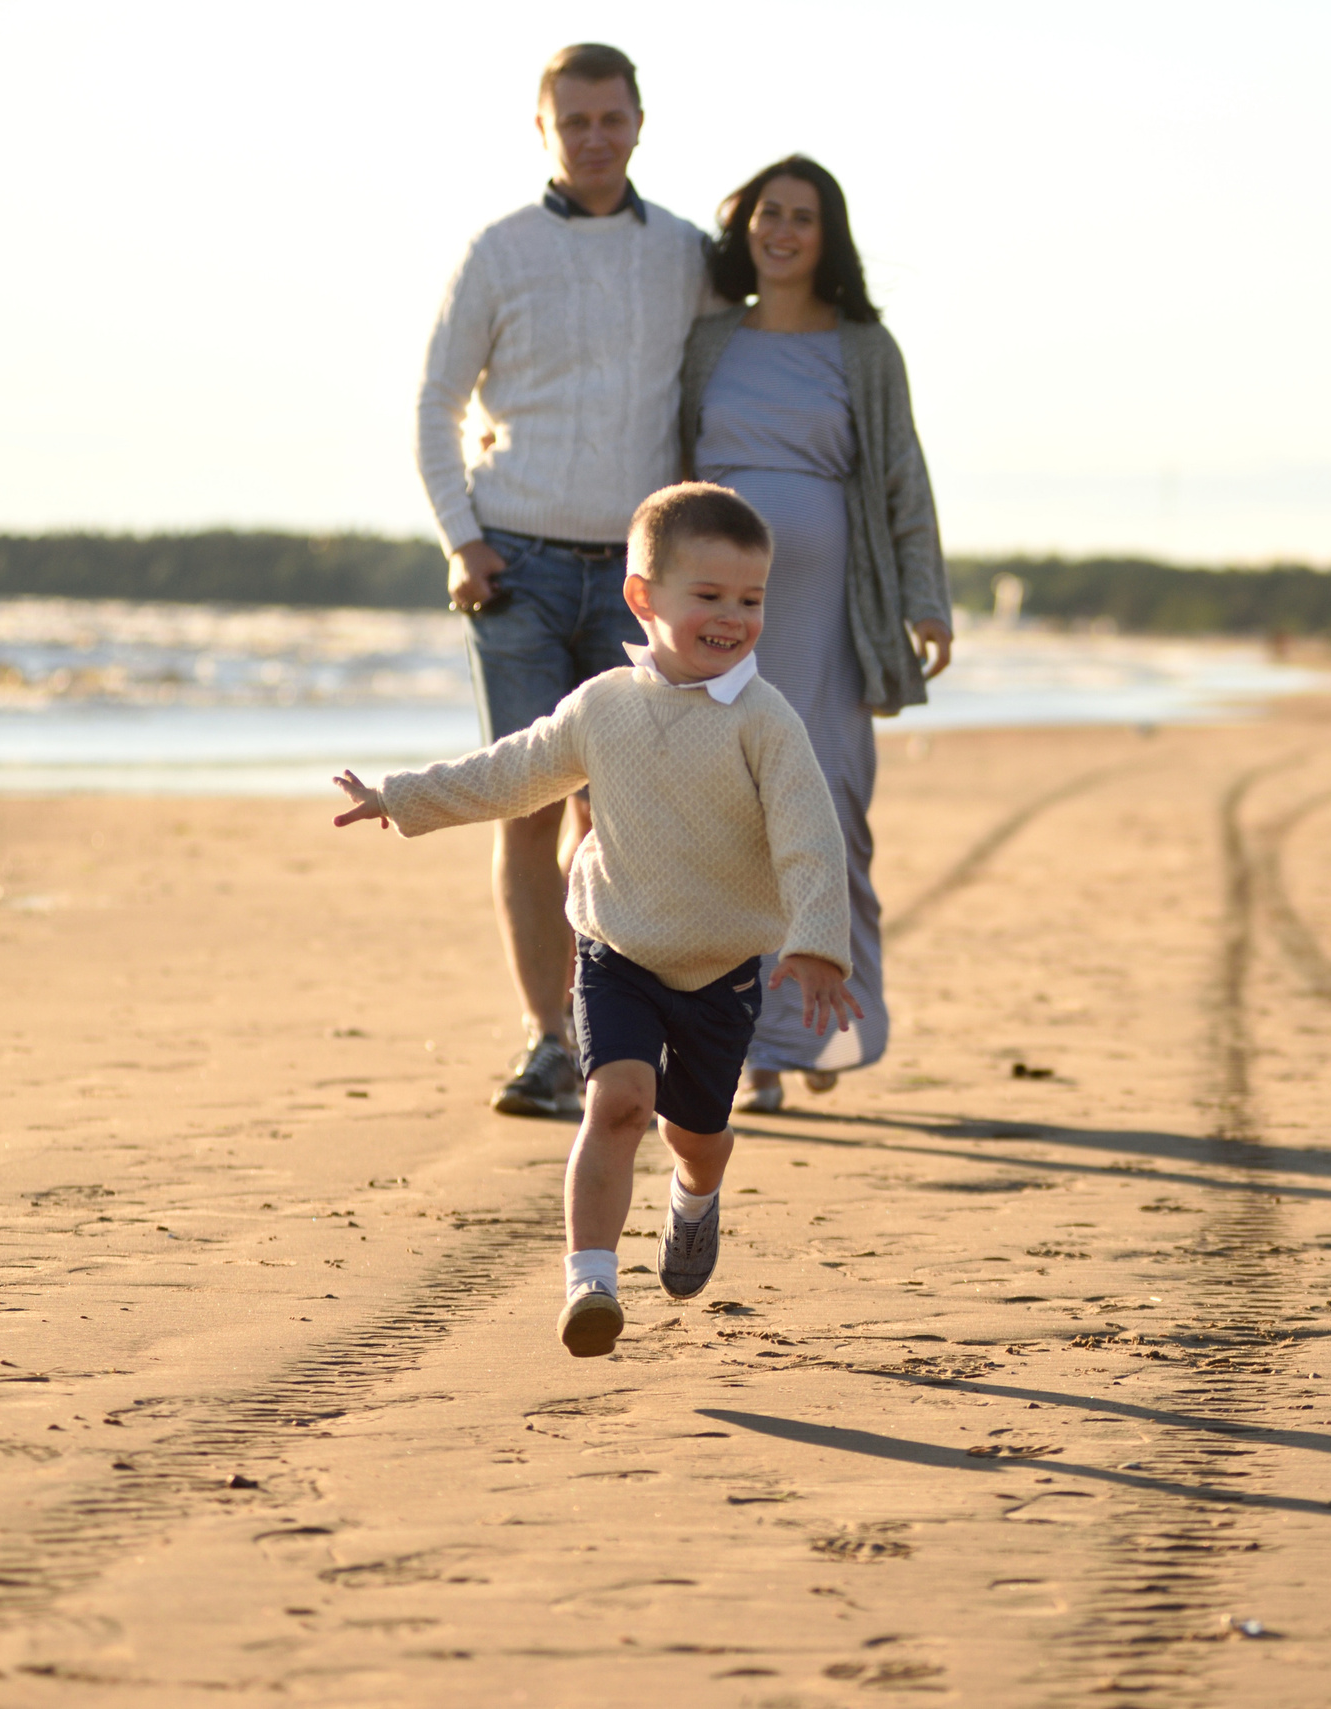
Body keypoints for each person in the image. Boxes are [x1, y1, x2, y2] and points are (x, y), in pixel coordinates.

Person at [331, 484, 859, 1359]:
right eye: (710, 596)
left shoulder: (766, 724)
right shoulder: (604, 705)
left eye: (752, 599)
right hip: (615, 948)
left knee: (696, 1133)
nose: (733, 618)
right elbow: (512, 773)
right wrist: (401, 797)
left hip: (720, 968)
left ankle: (694, 1195)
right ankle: (591, 1281)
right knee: (616, 1102)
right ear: (645, 596)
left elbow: (808, 836)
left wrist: (815, 942)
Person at [415, 42, 724, 1118]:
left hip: (639, 579)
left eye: (612, 117)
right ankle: (546, 1040)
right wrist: (464, 541)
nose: (595, 136)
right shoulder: (498, 253)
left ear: (639, 122)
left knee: (620, 812)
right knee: (526, 806)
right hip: (519, 568)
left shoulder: (686, 253)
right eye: (573, 120)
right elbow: (434, 406)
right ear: (541, 130)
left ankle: (612, 1032)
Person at [681, 155, 952, 1113]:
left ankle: (815, 1026)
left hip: (831, 617)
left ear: (826, 236)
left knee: (829, 813)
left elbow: (901, 481)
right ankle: (749, 1049)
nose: (782, 231)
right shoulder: (709, 341)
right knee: (731, 816)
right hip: (716, 616)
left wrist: (926, 598)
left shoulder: (864, 347)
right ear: (744, 226)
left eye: (802, 217)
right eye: (767, 214)